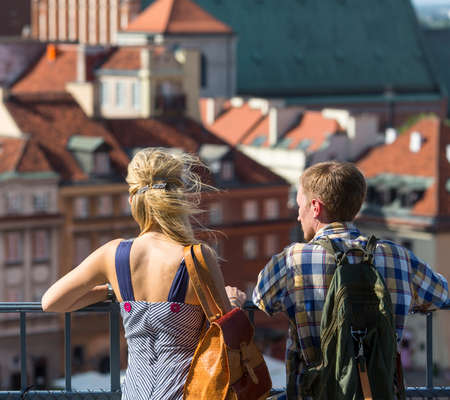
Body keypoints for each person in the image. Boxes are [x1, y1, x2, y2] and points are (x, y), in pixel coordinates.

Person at [243, 161, 448, 399]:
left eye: (300, 206)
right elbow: (440, 294)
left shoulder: (293, 260)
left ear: (315, 207)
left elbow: (260, 298)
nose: (298, 216)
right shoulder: (397, 256)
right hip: (378, 392)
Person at [42, 148, 232, 400]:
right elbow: (226, 332)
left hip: (135, 393)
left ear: (133, 201)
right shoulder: (196, 256)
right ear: (178, 198)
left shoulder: (114, 254)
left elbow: (51, 302)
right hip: (184, 393)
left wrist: (108, 292)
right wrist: (236, 305)